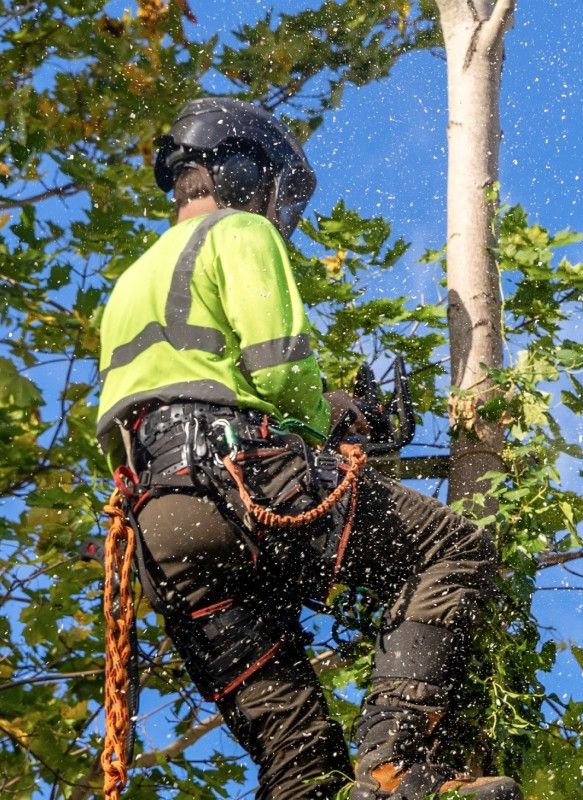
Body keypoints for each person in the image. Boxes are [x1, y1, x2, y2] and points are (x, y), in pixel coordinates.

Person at [96, 97, 521, 800]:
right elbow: (281, 374)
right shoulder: (240, 234)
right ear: (242, 172)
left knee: (301, 759)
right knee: (452, 551)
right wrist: (348, 414)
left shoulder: (129, 284)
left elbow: (136, 421)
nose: (276, 212)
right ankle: (396, 769)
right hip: (243, 478)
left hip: (161, 528)